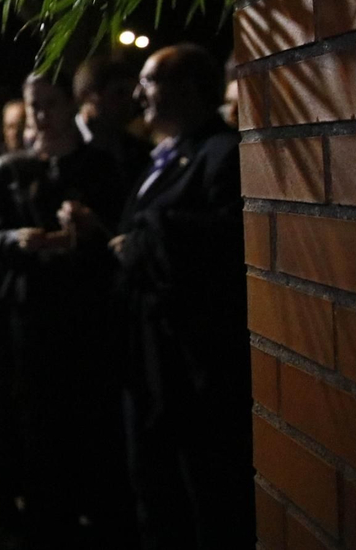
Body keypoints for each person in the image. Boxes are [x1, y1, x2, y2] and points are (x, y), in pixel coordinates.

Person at [109, 44, 251, 549]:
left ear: (189, 89)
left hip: (189, 367)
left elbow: (227, 243)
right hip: (147, 359)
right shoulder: (164, 156)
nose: (137, 92)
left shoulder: (222, 153)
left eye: (150, 80)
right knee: (154, 487)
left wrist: (149, 233)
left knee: (201, 497)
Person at [0, 72, 133, 548]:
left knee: (90, 419)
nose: (41, 116)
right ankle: (49, 521)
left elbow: (119, 237)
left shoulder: (100, 166)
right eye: (34, 107)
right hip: (31, 314)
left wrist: (89, 228)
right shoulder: (12, 167)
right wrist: (17, 239)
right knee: (38, 421)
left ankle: (97, 514)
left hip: (86, 312)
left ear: (71, 105)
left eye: (50, 104)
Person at [73, 53, 151, 181]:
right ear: (88, 95)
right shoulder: (62, 142)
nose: (129, 102)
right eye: (119, 93)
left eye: (132, 94)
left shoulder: (139, 152)